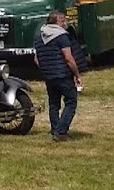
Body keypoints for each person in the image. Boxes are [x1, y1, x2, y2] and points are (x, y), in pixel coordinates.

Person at [34, 11, 82, 141]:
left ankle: (55, 129)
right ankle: (61, 132)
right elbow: (68, 58)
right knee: (71, 101)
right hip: (63, 76)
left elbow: (37, 60)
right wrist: (77, 74)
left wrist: (47, 70)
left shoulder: (40, 37)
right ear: (55, 23)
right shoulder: (62, 36)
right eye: (62, 21)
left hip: (49, 77)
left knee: (54, 104)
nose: (65, 24)